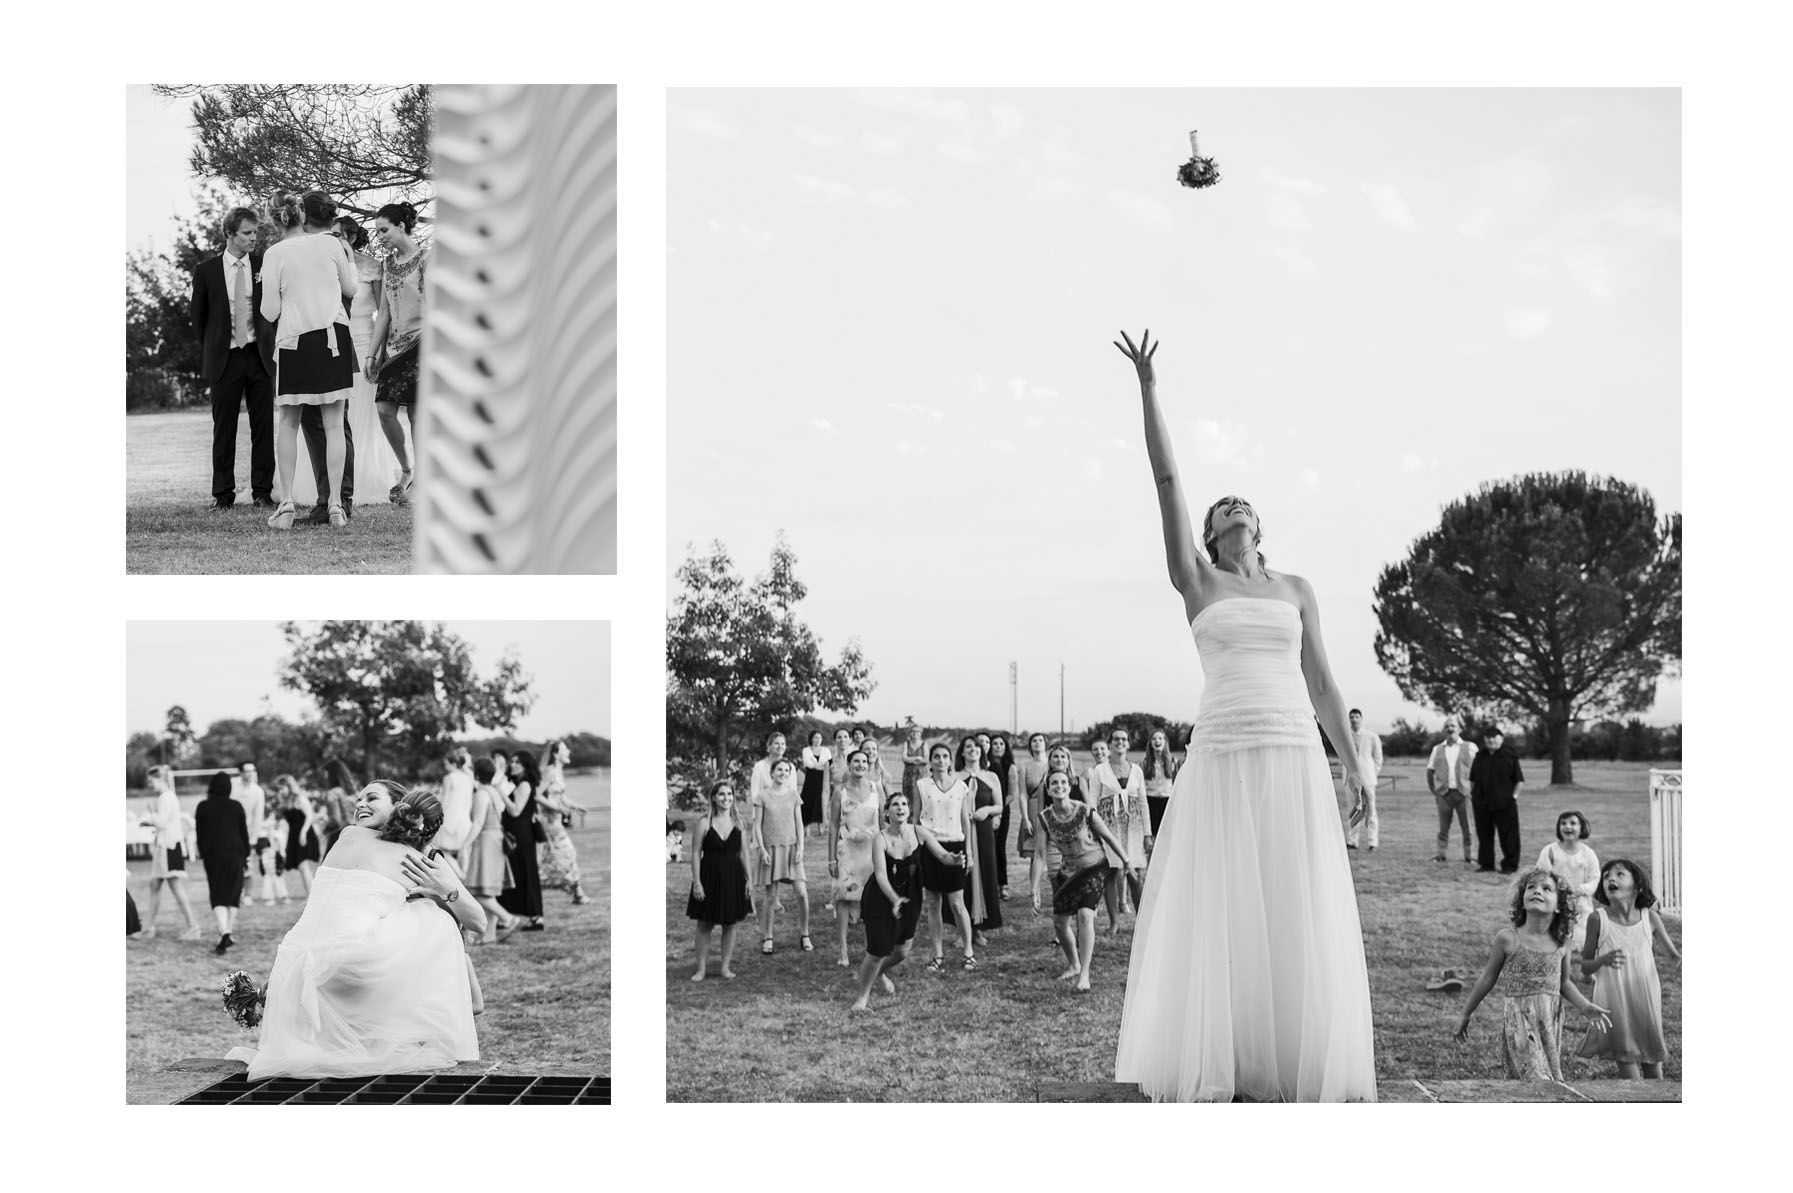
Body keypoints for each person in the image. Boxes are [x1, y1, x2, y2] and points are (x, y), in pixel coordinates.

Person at [1111, 329, 1377, 1102]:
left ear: (1258, 527)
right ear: (1209, 533)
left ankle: (1290, 1059)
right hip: (1224, 752)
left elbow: (1322, 683)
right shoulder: (1195, 580)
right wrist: (1148, 387)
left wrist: (1355, 768)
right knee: (1224, 906)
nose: (1233, 506)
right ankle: (1222, 1057)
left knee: (1292, 901)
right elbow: (1166, 479)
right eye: (1221, 505)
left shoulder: (1295, 588)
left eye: (1243, 503)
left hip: (1292, 751)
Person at [227, 782, 483, 1078]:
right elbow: (478, 923)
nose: (360, 804)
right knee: (434, 918)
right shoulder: (417, 857)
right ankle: (453, 1010)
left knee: (404, 909)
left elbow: (320, 919)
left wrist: (279, 975)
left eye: (371, 798)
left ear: (399, 805)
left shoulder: (345, 836)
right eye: (358, 799)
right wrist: (446, 891)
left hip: (297, 972)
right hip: (358, 968)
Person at [1453, 869, 1611, 1081]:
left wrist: (1585, 1006)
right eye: (1531, 887)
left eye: (1546, 889)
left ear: (1559, 905)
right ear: (1522, 900)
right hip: (1519, 1021)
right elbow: (1487, 978)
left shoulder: (1562, 942)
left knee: (1544, 1078)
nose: (1537, 891)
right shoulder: (1507, 939)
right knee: (1534, 1077)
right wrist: (1465, 1014)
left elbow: (1564, 983)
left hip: (1549, 1022)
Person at [259, 190, 357, 530]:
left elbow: (269, 310)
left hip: (295, 340)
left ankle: (286, 503)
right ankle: (335, 505)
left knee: (288, 423)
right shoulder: (331, 244)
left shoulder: (274, 253)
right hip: (333, 337)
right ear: (300, 214)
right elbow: (350, 289)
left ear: (274, 221)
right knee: (334, 425)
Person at [191, 206, 276, 510]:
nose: (254, 238)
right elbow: (198, 319)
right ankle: (222, 495)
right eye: (247, 233)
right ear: (229, 233)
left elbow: (274, 309)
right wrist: (214, 349)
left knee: (263, 427)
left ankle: (263, 492)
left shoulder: (264, 266)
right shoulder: (206, 271)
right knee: (223, 429)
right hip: (224, 359)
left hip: (259, 356)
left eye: (255, 232)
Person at [1033, 767, 1135, 992]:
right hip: (1069, 871)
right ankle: (1074, 965)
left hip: (1095, 866)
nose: (1059, 786)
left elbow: (1109, 837)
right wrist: (1035, 888)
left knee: (1085, 915)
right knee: (1059, 922)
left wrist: (1126, 861)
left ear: (1070, 787)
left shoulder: (1086, 811)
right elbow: (1039, 854)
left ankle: (1085, 975)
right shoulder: (1044, 818)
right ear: (1048, 790)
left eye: (1063, 782)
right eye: (1054, 783)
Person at [1577, 859, 1680, 1078]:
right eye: (1606, 876)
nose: (1610, 879)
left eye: (1619, 874)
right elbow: (1585, 967)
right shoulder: (1598, 919)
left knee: (1654, 1071)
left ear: (1637, 886)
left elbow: (1674, 958)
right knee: (1630, 1072)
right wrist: (1601, 961)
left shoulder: (1650, 918)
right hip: (1615, 1002)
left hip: (1646, 1000)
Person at [331, 214, 395, 503]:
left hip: (364, 342)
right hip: (334, 341)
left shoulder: (371, 267)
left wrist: (378, 352)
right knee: (335, 411)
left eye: (337, 235)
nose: (332, 240)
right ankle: (334, 478)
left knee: (364, 411)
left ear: (353, 237)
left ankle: (364, 475)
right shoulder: (328, 264)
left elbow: (384, 312)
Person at [369, 202, 426, 504]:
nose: (379, 236)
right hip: (393, 348)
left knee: (417, 414)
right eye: (377, 231)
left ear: (401, 226)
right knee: (384, 410)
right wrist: (372, 354)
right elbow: (384, 312)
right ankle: (406, 469)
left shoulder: (427, 259)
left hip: (422, 344)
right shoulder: (387, 264)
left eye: (384, 230)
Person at [851, 791, 924, 1010]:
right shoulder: (879, 839)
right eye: (895, 805)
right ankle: (862, 998)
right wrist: (894, 899)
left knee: (901, 952)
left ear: (909, 810)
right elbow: (881, 875)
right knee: (877, 951)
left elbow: (939, 851)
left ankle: (879, 973)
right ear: (886, 812)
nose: (900, 808)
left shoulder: (917, 833)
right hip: (880, 898)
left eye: (904, 804)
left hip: (908, 896)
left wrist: (952, 859)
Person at [914, 743, 976, 973]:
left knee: (957, 903)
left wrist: (969, 852)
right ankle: (937, 954)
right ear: (930, 760)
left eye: (944, 757)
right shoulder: (921, 786)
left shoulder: (961, 787)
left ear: (950, 760)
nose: (941, 760)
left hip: (955, 845)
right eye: (936, 756)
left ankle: (968, 952)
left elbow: (965, 820)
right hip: (930, 846)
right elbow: (916, 820)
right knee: (932, 902)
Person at [687, 780, 752, 980]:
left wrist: (749, 879)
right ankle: (701, 969)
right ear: (714, 798)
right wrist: (697, 882)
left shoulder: (739, 823)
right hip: (709, 877)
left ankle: (725, 968)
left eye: (729, 794)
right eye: (722, 794)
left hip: (733, 878)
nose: (726, 798)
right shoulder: (704, 823)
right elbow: (696, 853)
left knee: (730, 924)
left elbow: (744, 853)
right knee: (704, 924)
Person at [1086, 727, 1148, 928]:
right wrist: (1094, 829)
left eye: (1123, 739)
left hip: (1133, 826)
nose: (1120, 742)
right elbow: (1093, 801)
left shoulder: (1136, 770)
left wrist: (1147, 833)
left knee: (1135, 874)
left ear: (1128, 744)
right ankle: (1114, 922)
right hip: (1109, 826)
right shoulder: (1100, 770)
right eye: (1116, 739)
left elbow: (1143, 802)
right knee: (1111, 873)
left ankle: (1141, 922)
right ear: (1110, 744)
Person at [828, 748, 882, 967]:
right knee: (844, 898)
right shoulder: (839, 792)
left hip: (872, 852)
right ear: (849, 765)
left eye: (864, 761)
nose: (860, 765)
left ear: (868, 765)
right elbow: (833, 826)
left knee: (871, 900)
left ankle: (871, 946)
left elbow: (883, 822)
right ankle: (843, 949)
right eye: (856, 761)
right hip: (847, 852)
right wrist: (831, 858)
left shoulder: (876, 789)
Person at [755, 756, 812, 953]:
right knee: (771, 897)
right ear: (772, 773)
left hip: (792, 848)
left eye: (787, 771)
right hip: (770, 849)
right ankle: (768, 937)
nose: (783, 773)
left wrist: (801, 848)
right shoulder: (762, 796)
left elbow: (799, 824)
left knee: (802, 893)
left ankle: (805, 934)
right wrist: (762, 850)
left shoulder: (794, 795)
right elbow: (757, 826)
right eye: (779, 770)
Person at [137, 767, 201, 939]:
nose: (150, 785)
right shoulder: (167, 797)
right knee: (154, 885)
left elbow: (162, 823)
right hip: (165, 846)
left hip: (168, 847)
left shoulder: (166, 797)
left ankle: (193, 926)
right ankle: (148, 927)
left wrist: (148, 820)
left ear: (160, 779)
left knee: (175, 886)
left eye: (151, 781)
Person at [462, 759, 519, 943]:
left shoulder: (481, 793)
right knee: (488, 892)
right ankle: (490, 935)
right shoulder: (494, 791)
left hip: (486, 842)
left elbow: (478, 823)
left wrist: (465, 845)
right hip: (496, 840)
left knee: (477, 891)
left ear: (476, 774)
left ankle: (508, 918)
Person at [194, 771, 251, 955]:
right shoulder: (236, 806)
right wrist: (246, 854)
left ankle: (224, 931)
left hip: (213, 855)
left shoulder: (203, 806)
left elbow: (199, 834)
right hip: (235, 854)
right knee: (233, 893)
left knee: (217, 893)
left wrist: (203, 852)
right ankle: (227, 931)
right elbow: (243, 833)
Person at [957, 736, 1003, 945]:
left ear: (981, 751)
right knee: (962, 878)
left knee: (984, 874)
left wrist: (987, 810)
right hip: (961, 831)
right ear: (962, 752)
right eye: (968, 746)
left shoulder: (991, 776)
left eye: (976, 746)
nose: (973, 749)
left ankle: (978, 929)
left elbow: (999, 806)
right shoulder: (955, 776)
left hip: (984, 831)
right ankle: (962, 930)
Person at [536, 739, 592, 904]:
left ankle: (576, 893)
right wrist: (557, 808)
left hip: (556, 822)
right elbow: (536, 795)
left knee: (554, 858)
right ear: (555, 754)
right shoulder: (549, 771)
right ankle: (577, 892)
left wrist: (575, 806)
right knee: (567, 854)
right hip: (548, 822)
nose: (568, 751)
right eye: (564, 749)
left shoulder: (558, 772)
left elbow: (559, 796)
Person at [498, 750, 546, 929]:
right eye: (513, 761)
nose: (513, 764)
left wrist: (500, 792)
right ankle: (509, 915)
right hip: (518, 834)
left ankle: (535, 917)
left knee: (526, 873)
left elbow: (515, 811)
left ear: (526, 766)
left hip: (521, 837)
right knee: (516, 874)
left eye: (518, 762)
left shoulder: (525, 784)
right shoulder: (521, 784)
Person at [1537, 811, 1600, 950]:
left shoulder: (1588, 854)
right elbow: (1540, 876)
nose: (1568, 827)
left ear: (1581, 828)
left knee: (1581, 941)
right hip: (1555, 904)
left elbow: (1594, 879)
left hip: (1581, 905)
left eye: (1573, 823)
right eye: (1563, 823)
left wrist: (1580, 890)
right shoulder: (1550, 851)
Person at [1468, 727, 1525, 873]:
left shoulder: (1510, 755)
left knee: (1509, 836)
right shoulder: (1479, 756)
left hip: (1505, 804)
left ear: (1501, 739)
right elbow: (1472, 779)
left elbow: (1519, 780)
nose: (1491, 740)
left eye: (1494, 737)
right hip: (1482, 804)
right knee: (1484, 835)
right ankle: (1486, 864)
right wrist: (1473, 795)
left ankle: (1510, 865)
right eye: (1488, 737)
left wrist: (1513, 797)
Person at [1425, 717, 1477, 865]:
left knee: (1468, 828)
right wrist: (1434, 791)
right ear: (1444, 730)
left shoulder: (1470, 747)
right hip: (1444, 794)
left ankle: (1470, 857)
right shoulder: (1437, 749)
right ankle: (1441, 855)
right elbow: (1430, 771)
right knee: (1443, 829)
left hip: (1464, 793)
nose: (1450, 728)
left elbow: (1479, 769)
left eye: (1453, 726)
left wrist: (1473, 790)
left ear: (1460, 729)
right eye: (1447, 726)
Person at [747, 733, 788, 892]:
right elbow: (755, 793)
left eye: (782, 744)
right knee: (764, 857)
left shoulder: (787, 766)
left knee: (779, 857)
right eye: (776, 743)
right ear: (769, 747)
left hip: (782, 818)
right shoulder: (760, 766)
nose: (780, 747)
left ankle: (774, 897)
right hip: (763, 816)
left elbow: (790, 792)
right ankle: (759, 893)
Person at [1344, 709, 1383, 851]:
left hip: (1368, 779)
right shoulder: (1345, 736)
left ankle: (1373, 841)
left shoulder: (1371, 736)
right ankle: (1352, 841)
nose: (1354, 719)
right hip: (1350, 779)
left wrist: (1372, 774)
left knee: (1370, 809)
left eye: (1357, 717)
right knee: (1353, 809)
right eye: (1352, 717)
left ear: (1361, 718)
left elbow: (1378, 758)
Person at [433, 748, 475, 874]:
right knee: (464, 850)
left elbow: (444, 799)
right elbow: (469, 800)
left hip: (450, 818)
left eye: (446, 764)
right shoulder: (468, 778)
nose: (445, 767)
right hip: (464, 819)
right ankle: (466, 874)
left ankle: (460, 875)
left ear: (453, 763)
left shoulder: (449, 778)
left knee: (443, 850)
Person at [1010, 732, 1050, 862]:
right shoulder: (1025, 767)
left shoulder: (1052, 764)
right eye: (1034, 741)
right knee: (1035, 855)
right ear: (1030, 746)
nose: (1037, 743)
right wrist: (1026, 819)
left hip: (1051, 808)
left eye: (1040, 740)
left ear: (1045, 744)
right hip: (1033, 810)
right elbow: (1023, 794)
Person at [279, 784, 323, 895]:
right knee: (301, 865)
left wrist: (303, 833)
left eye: (282, 788)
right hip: (293, 835)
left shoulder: (300, 799)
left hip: (304, 833)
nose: (280, 791)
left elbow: (309, 816)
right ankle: (310, 892)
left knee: (303, 865)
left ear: (289, 786)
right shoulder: (285, 801)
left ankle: (312, 893)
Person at [986, 733, 1014, 897]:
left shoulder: (1010, 767)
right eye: (995, 743)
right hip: (986, 809)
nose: (998, 746)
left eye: (1001, 744)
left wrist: (999, 810)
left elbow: (1011, 794)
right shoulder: (986, 765)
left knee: (999, 847)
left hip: (1002, 810)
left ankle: (1003, 884)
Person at [1141, 727, 1177, 847]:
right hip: (1151, 802)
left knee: (1167, 837)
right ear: (1150, 743)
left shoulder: (1173, 762)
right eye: (1154, 739)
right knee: (1153, 838)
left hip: (1167, 802)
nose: (1157, 741)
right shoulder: (1145, 763)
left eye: (1160, 738)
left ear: (1165, 742)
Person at [798, 730, 830, 839]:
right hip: (810, 778)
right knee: (807, 801)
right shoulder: (806, 750)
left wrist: (817, 765)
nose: (817, 740)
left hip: (823, 778)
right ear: (811, 739)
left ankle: (821, 828)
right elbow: (807, 763)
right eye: (815, 737)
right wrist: (820, 765)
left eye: (819, 737)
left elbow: (829, 763)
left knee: (821, 802)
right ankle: (807, 830)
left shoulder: (826, 750)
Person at [900, 724, 926, 803]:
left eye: (918, 731)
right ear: (910, 733)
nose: (915, 733)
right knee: (908, 797)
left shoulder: (924, 744)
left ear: (920, 733)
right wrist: (917, 758)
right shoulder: (906, 744)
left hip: (921, 774)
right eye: (913, 731)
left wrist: (910, 759)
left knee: (921, 797)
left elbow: (926, 760)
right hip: (908, 774)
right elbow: (904, 758)